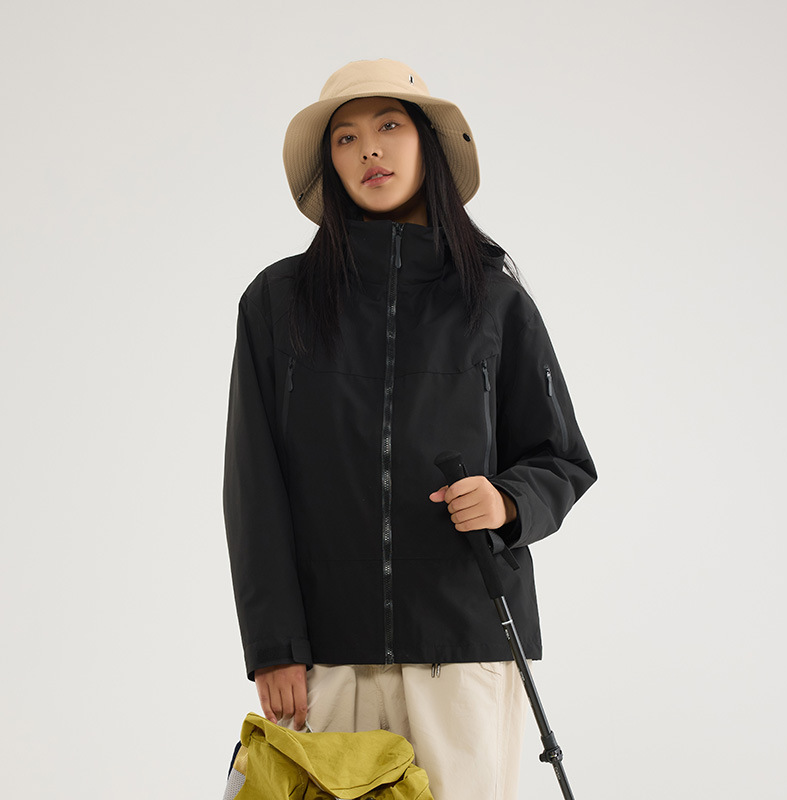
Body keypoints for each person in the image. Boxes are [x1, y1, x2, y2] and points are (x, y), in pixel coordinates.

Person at [222, 58, 597, 800]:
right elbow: (253, 485)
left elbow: (561, 458)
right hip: (327, 659)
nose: (370, 148)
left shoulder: (494, 301)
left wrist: (507, 501)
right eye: (346, 137)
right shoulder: (277, 303)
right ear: (331, 164)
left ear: (427, 143)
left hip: (465, 647)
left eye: (390, 125)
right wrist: (274, 645)